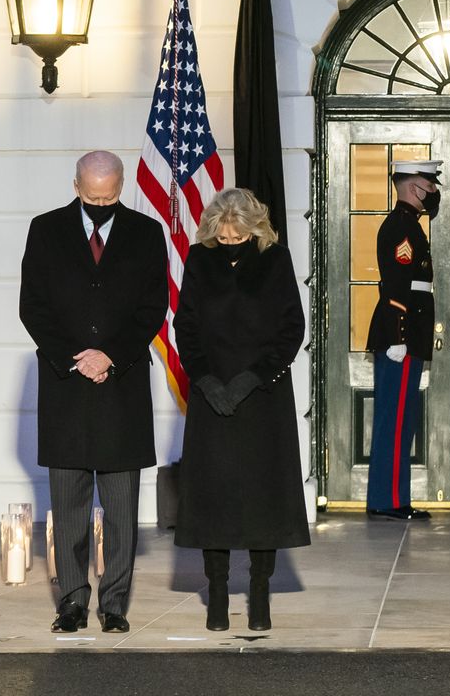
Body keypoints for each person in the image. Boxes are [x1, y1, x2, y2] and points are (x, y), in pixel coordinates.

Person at [18, 150, 169, 634]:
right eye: (91, 196)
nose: (100, 204)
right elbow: (32, 307)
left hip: (121, 387)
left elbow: (153, 308)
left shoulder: (147, 234)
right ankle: (70, 603)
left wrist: (111, 356)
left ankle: (116, 604)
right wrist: (75, 357)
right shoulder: (45, 229)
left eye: (109, 196)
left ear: (121, 186)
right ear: (76, 184)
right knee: (69, 510)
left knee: (123, 510)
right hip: (66, 388)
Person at [172, 187, 311, 632]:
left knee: (262, 500)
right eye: (224, 237)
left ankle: (260, 594)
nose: (230, 243)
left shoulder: (275, 260)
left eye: (238, 237)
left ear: (254, 229)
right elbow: (186, 327)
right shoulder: (198, 260)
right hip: (211, 397)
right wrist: (208, 382)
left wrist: (252, 380)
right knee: (213, 500)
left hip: (263, 397)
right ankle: (215, 595)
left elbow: (292, 327)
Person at [366, 159, 440, 519]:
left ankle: (391, 497)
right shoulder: (401, 227)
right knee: (394, 420)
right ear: (414, 188)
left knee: (400, 418)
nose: (434, 193)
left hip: (409, 334)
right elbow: (396, 285)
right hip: (402, 335)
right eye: (430, 186)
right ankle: (389, 500)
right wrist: (399, 335)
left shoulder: (409, 225)